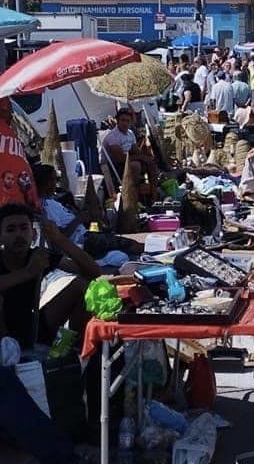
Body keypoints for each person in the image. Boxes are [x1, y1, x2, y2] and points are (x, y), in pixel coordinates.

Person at [0, 202, 101, 350]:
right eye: (11, 230)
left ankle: (64, 350)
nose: (19, 235)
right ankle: (7, 357)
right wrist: (28, 272)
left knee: (82, 286)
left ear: (33, 234)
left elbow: (93, 272)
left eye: (24, 228)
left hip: (33, 324)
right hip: (4, 332)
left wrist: (59, 239)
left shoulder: (38, 255)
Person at [102, 108, 158, 192]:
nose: (125, 123)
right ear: (117, 120)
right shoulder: (113, 136)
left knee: (151, 163)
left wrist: (146, 157)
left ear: (131, 122)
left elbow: (136, 150)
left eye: (127, 121)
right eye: (122, 120)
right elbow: (120, 159)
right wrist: (140, 157)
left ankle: (153, 193)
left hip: (128, 160)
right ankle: (132, 192)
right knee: (135, 165)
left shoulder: (130, 133)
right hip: (115, 166)